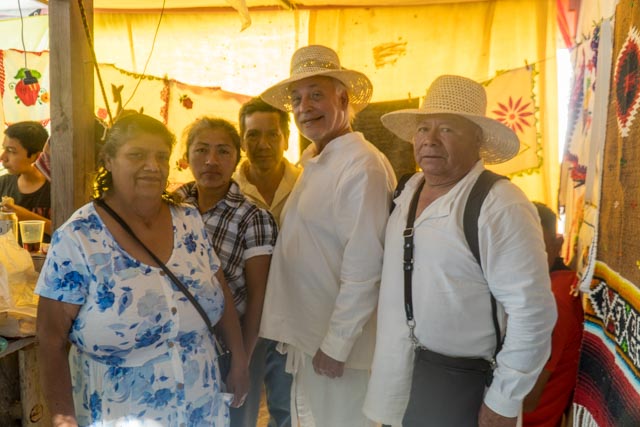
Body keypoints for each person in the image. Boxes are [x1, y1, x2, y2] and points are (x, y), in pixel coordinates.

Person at [363, 75, 557, 427]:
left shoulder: (500, 205)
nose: (430, 141)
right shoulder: (408, 189)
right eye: (423, 129)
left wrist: (503, 400)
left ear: (478, 139)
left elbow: (533, 312)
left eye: (447, 129)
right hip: (397, 384)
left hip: (463, 388)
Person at [35, 114, 249, 427]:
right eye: (137, 155)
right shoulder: (79, 237)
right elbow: (50, 338)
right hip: (118, 414)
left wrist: (239, 360)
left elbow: (220, 292)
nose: (152, 165)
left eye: (161, 156)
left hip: (201, 407)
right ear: (108, 160)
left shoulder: (189, 221)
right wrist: (62, 416)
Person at [259, 45, 396, 427]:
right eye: (297, 99)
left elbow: (366, 265)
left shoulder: (361, 165)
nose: (305, 107)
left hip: (340, 353)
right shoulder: (319, 162)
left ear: (343, 98)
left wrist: (337, 345)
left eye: (316, 94)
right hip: (312, 342)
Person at [174, 117, 278, 427]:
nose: (211, 161)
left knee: (234, 419)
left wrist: (242, 362)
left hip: (231, 345)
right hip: (180, 343)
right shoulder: (173, 205)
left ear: (237, 157)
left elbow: (259, 297)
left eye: (223, 151)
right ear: (186, 155)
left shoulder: (253, 217)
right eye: (201, 150)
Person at [234, 98, 297, 426]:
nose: (263, 144)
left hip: (292, 316)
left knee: (287, 407)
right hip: (243, 318)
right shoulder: (228, 190)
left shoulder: (307, 185)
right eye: (253, 135)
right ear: (242, 140)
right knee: (240, 407)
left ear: (286, 138)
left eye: (272, 135)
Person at [522, 202, 583, 427]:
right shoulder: (554, 286)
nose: (525, 256)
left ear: (558, 245)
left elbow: (527, 399)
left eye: (536, 244)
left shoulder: (551, 302)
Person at [0, 121, 52, 238]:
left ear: (36, 156)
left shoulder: (55, 189)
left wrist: (26, 217)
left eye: (11, 151)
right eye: (4, 149)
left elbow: (70, 233)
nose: (3, 157)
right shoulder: (3, 184)